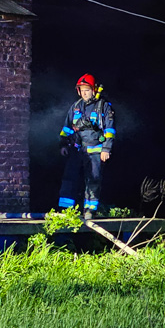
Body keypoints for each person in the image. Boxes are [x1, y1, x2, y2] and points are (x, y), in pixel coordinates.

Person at [57, 73, 115, 219]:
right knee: (69, 178)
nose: (84, 93)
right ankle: (65, 210)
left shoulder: (103, 107)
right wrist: (63, 144)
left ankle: (89, 211)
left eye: (87, 89)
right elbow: (67, 128)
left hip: (95, 151)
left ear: (94, 90)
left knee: (93, 180)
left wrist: (106, 149)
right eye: (81, 90)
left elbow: (109, 130)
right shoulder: (76, 107)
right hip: (77, 150)